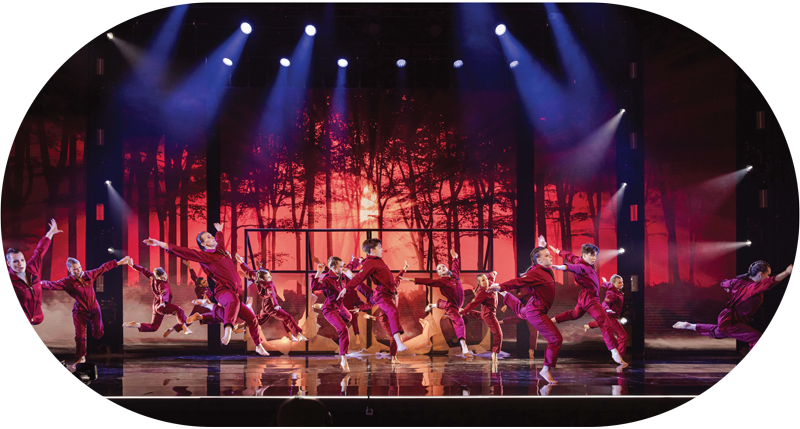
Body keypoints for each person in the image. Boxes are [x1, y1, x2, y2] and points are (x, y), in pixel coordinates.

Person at [142, 222, 269, 356]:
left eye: (211, 236)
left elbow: (220, 240)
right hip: (223, 291)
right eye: (208, 237)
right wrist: (160, 244)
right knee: (234, 302)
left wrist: (219, 230)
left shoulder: (220, 250)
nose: (212, 237)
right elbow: (185, 251)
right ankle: (227, 330)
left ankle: (258, 345)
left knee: (252, 319)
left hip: (235, 292)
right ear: (203, 244)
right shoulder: (205, 256)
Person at [673, 261, 798, 381]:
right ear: (760, 274)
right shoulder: (752, 287)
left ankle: (690, 326)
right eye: (767, 274)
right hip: (731, 321)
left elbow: (724, 283)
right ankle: (754, 372)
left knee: (718, 333)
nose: (768, 277)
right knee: (759, 340)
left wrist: (727, 287)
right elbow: (770, 283)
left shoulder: (739, 282)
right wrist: (787, 272)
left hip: (727, 318)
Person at [488, 236, 562, 384]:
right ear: (539, 260)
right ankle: (545, 369)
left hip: (532, 308)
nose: (551, 257)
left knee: (521, 311)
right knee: (556, 339)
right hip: (537, 311)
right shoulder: (537, 272)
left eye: (549, 254)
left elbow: (535, 264)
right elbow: (519, 281)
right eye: (547, 255)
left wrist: (541, 247)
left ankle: (505, 295)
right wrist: (501, 286)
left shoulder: (543, 269)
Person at [41, 253, 129, 369]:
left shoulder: (88, 275)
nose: (78, 270)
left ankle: (97, 334)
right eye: (75, 269)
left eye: (79, 268)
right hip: (80, 311)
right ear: (69, 270)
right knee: (80, 336)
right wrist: (38, 284)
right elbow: (52, 285)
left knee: (98, 333)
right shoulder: (67, 282)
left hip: (94, 309)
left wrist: (119, 262)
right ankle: (81, 357)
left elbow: (103, 268)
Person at [1, 219, 62, 383]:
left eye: (21, 259)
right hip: (18, 320)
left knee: (35, 315)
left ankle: (13, 301)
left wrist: (50, 233)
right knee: (32, 347)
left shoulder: (32, 267)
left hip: (37, 316)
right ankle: (28, 376)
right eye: (15, 261)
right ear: (8, 263)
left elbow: (40, 250)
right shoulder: (6, 279)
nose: (20, 263)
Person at [548, 242, 627, 366]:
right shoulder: (583, 267)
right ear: (584, 255)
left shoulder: (580, 260)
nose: (594, 258)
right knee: (604, 322)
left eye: (595, 255)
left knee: (574, 314)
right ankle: (614, 351)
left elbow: (570, 256)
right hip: (590, 299)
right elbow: (573, 267)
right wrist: (561, 267)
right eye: (592, 255)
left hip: (583, 297)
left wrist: (558, 252)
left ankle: (553, 320)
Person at [343, 239, 408, 353]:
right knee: (393, 311)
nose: (382, 249)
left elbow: (394, 282)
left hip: (383, 294)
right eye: (379, 247)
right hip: (381, 294)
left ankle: (396, 349)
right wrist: (346, 288)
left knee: (387, 307)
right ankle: (399, 343)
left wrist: (403, 270)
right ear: (372, 250)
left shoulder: (377, 261)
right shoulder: (370, 262)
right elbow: (360, 277)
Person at [403, 249, 470, 356]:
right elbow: (428, 281)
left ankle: (434, 305)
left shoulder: (455, 276)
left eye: (443, 266)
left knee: (449, 306)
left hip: (456, 304)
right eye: (439, 269)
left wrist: (455, 257)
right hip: (453, 307)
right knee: (459, 321)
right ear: (439, 273)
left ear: (446, 268)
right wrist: (413, 280)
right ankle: (463, 345)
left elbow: (455, 266)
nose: (442, 268)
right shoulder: (441, 281)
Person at [234, 253, 307, 342]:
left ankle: (241, 325)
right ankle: (298, 335)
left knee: (259, 320)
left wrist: (241, 262)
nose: (270, 277)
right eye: (268, 277)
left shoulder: (258, 279)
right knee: (287, 317)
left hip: (265, 305)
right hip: (271, 306)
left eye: (269, 276)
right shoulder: (269, 286)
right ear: (264, 279)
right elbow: (272, 296)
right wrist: (275, 305)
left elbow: (250, 271)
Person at [121, 259, 194, 336]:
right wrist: (163, 303)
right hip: (162, 305)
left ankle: (136, 325)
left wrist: (132, 265)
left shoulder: (153, 276)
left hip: (156, 304)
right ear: (157, 277)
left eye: (165, 276)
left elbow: (143, 270)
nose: (164, 278)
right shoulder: (162, 284)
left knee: (154, 327)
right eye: (162, 277)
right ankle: (185, 329)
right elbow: (163, 293)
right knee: (179, 310)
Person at [311, 257, 352, 372]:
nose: (343, 268)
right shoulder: (328, 279)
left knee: (349, 317)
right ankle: (343, 359)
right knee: (343, 329)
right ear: (334, 268)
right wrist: (318, 273)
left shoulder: (341, 275)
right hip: (330, 309)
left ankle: (341, 335)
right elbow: (314, 287)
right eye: (340, 266)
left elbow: (350, 268)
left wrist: (356, 261)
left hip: (340, 307)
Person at [163, 261, 215, 337]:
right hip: (202, 308)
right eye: (204, 282)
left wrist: (189, 266)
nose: (206, 282)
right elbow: (205, 297)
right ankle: (172, 329)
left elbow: (194, 276)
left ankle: (172, 329)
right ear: (200, 285)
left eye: (205, 281)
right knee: (190, 321)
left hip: (204, 307)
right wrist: (205, 299)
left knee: (190, 321)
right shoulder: (202, 290)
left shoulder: (201, 286)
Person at [460, 271, 503, 362]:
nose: (486, 281)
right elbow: (472, 304)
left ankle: (468, 312)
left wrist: (494, 273)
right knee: (498, 334)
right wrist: (464, 311)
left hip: (486, 312)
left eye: (485, 279)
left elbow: (491, 276)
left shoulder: (490, 283)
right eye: (483, 280)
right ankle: (494, 353)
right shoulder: (481, 293)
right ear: (479, 283)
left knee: (481, 315)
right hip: (489, 315)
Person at [584, 274, 628, 355]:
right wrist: (607, 309)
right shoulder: (611, 293)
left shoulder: (613, 287)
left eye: (622, 282)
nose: (622, 284)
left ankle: (588, 325)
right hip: (611, 317)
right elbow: (605, 302)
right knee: (623, 336)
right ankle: (619, 356)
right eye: (619, 283)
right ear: (614, 284)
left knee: (602, 322)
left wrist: (604, 281)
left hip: (610, 316)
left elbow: (607, 284)